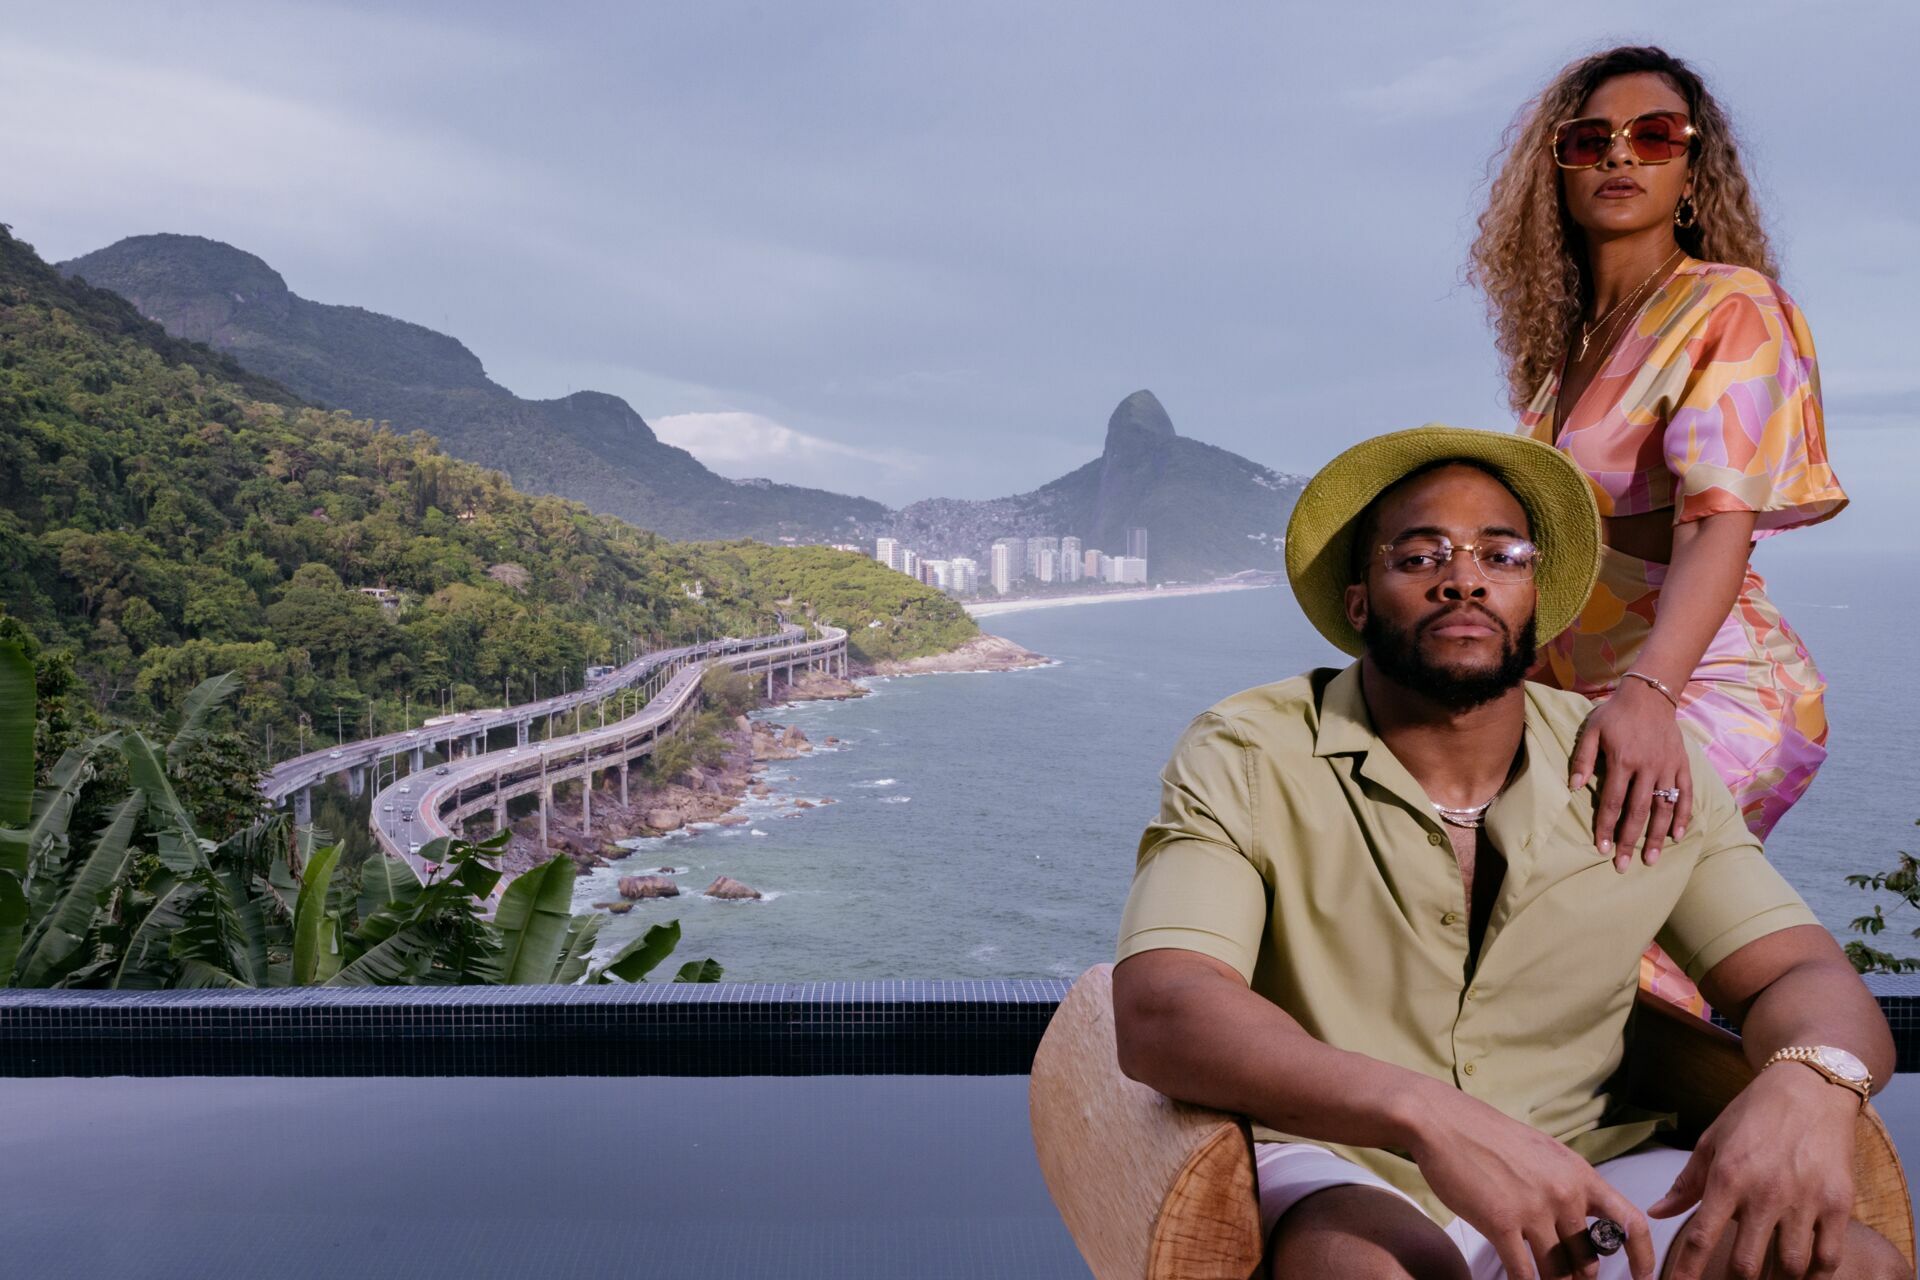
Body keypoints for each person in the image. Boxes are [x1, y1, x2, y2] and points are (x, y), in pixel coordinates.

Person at [1112, 426, 1900, 1280]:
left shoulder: (1641, 769)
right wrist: (1425, 1115)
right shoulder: (1249, 751)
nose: (1465, 578)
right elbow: (1165, 1006)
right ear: (1359, 604)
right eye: (1420, 558)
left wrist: (1812, 1078)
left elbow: (1801, 975)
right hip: (1342, 1157)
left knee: (1856, 1270)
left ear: (1534, 594)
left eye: (1503, 555)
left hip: (1586, 1163)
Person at [1468, 47, 1846, 1012]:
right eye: (1589, 139)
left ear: (1693, 167)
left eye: (1654, 136)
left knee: (1593, 924)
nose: (1619, 155)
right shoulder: (1562, 354)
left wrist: (1647, 694)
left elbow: (1719, 523)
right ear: (1556, 170)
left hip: (1704, 684)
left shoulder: (1731, 305)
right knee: (1530, 926)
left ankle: (1783, 1087)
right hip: (1586, 698)